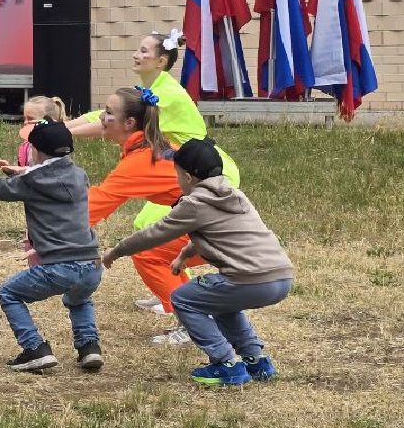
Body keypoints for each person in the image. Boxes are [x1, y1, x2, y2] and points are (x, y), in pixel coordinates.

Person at [71, 30, 242, 315]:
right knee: (147, 232)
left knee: (150, 250)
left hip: (212, 174)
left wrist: (52, 232)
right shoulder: (146, 102)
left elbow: (97, 202)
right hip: (201, 185)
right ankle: (176, 295)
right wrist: (63, 126)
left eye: (144, 51)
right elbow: (104, 117)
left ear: (162, 61)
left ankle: (186, 309)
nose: (135, 55)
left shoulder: (164, 97)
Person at [100, 139, 293, 387]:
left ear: (188, 177)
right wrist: (183, 255)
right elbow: (217, 232)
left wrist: (116, 252)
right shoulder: (234, 195)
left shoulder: (194, 203)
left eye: (177, 174)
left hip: (248, 279)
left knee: (183, 298)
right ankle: (256, 360)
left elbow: (154, 234)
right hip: (281, 277)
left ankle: (225, 363)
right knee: (221, 303)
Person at [0, 119, 104, 373]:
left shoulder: (32, 181)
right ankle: (89, 347)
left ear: (36, 150)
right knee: (79, 298)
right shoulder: (80, 176)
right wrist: (21, 172)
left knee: (8, 293)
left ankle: (35, 349)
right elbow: (49, 177)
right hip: (91, 265)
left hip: (58, 267)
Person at [87, 86, 191, 345]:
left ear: (129, 123)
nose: (102, 117)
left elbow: (92, 206)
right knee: (158, 251)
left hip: (216, 225)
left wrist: (50, 227)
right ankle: (195, 317)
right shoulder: (151, 148)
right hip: (216, 218)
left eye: (108, 112)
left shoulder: (142, 159)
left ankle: (193, 323)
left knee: (149, 253)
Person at [14, 95, 67, 267]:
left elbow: (48, 176)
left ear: (48, 121)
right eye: (24, 119)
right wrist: (12, 171)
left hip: (51, 213)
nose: (25, 123)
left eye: (31, 119)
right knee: (34, 258)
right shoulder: (25, 146)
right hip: (34, 211)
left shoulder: (54, 148)